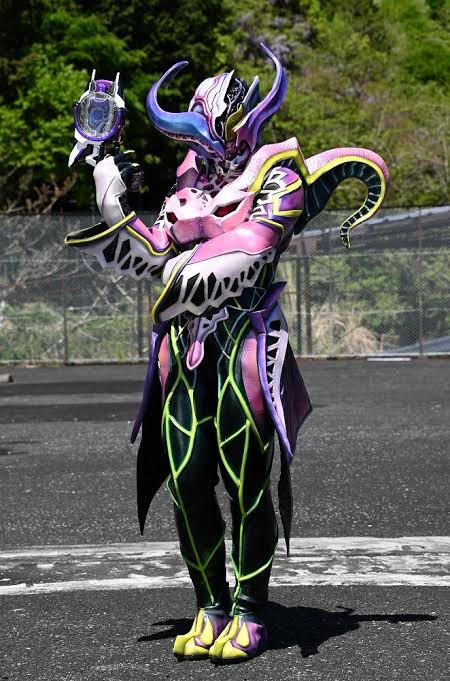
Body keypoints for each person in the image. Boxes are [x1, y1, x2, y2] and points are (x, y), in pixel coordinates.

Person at [66, 44, 389, 663]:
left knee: (246, 482)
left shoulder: (278, 174)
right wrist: (107, 181)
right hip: (186, 347)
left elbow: (255, 244)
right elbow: (149, 249)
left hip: (246, 340)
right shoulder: (188, 182)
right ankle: (210, 604)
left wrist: (181, 270)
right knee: (187, 479)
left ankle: (250, 611)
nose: (213, 143)